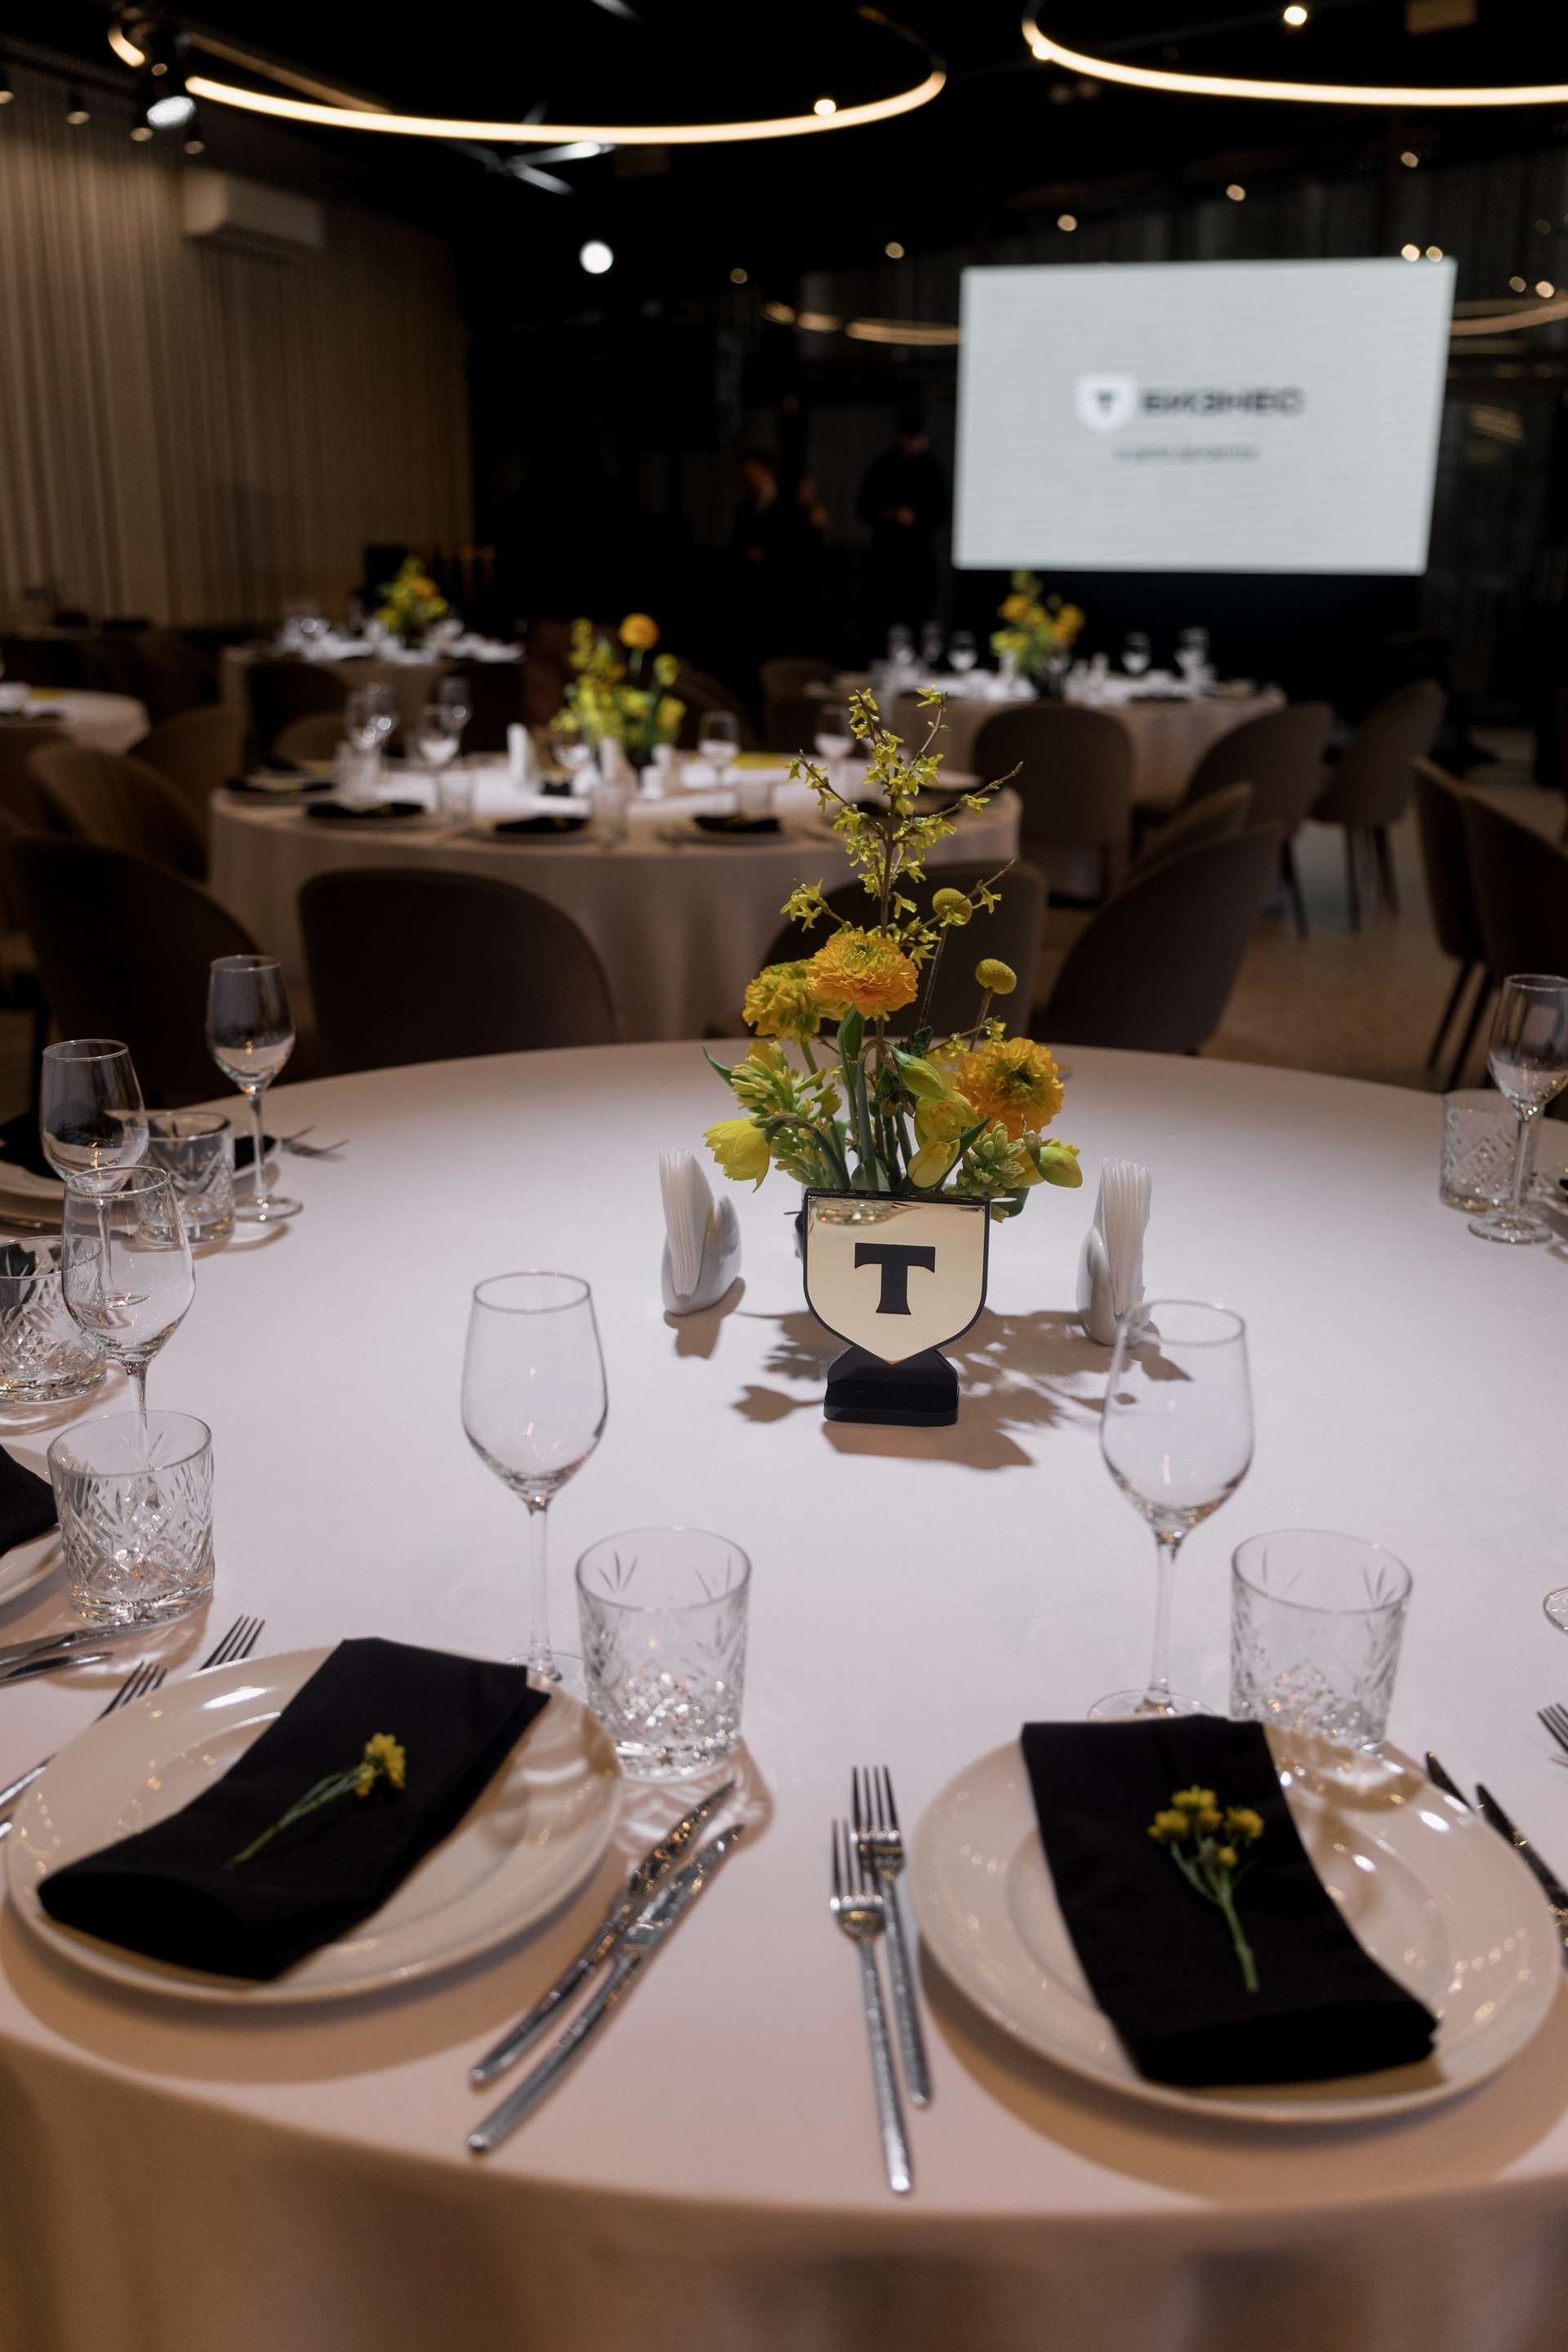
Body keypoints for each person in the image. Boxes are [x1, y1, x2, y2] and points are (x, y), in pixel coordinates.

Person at [727, 448, 825, 705]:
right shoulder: (745, 507)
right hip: (753, 598)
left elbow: (805, 553)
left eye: (752, 473)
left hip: (786, 599)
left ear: (767, 471)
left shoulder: (791, 505)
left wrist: (767, 554)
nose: (747, 479)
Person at [857, 411, 949, 657]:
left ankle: (919, 667)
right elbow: (863, 507)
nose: (913, 444)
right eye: (909, 438)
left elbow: (942, 512)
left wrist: (916, 517)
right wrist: (889, 514)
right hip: (886, 558)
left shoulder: (932, 469)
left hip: (920, 560)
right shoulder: (883, 466)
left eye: (917, 438)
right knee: (881, 619)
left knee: (919, 619)